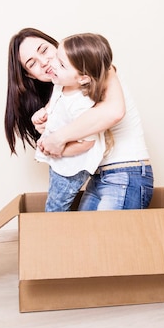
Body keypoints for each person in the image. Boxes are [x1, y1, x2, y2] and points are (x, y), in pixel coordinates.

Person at [5, 28, 153, 210]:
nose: (44, 62)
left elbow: (114, 111)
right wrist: (47, 125)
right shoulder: (62, 88)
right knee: (82, 234)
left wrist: (58, 138)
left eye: (44, 50)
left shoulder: (97, 67)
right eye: (32, 63)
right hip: (98, 177)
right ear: (29, 75)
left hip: (125, 170)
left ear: (55, 45)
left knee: (106, 237)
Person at [32, 33, 112, 212]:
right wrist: (42, 113)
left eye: (61, 64)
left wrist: (59, 151)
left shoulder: (81, 103)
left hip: (72, 165)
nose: (52, 64)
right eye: (57, 58)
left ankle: (53, 236)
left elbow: (88, 143)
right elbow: (53, 107)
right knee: (54, 200)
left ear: (83, 78)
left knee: (55, 206)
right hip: (60, 161)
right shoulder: (60, 83)